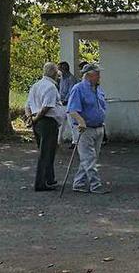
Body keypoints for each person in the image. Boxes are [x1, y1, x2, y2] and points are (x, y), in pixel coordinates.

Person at [67, 63, 110, 194]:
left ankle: (79, 183)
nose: (99, 76)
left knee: (90, 158)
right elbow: (72, 110)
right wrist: (81, 121)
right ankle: (95, 185)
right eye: (97, 74)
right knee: (89, 158)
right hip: (85, 130)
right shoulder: (78, 88)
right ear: (90, 75)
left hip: (98, 127)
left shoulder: (98, 89)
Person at [25, 62, 67, 192]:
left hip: (38, 122)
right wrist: (36, 118)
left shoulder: (35, 86)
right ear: (54, 73)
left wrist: (30, 118)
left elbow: (27, 105)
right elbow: (47, 107)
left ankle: (49, 178)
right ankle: (41, 182)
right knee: (46, 153)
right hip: (47, 122)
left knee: (46, 151)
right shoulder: (51, 87)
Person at [58, 61, 80, 146]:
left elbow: (71, 92)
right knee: (60, 123)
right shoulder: (62, 78)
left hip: (69, 104)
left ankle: (75, 142)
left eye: (59, 68)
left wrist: (65, 100)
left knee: (72, 124)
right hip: (62, 104)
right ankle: (58, 140)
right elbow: (61, 91)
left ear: (64, 69)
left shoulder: (71, 78)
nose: (58, 70)